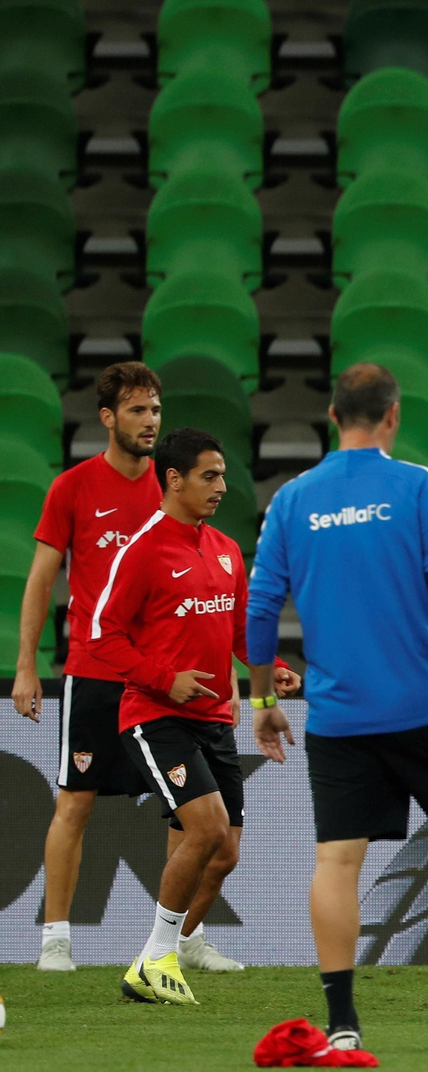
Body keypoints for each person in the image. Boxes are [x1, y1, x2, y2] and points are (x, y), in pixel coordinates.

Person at [247, 364, 428, 1052]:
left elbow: (258, 610)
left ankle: (342, 1022)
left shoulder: (291, 499)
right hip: (423, 701)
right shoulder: (413, 484)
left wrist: (260, 698)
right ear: (393, 416)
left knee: (337, 859)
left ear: (330, 413)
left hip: (339, 713)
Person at [10, 363, 271, 976]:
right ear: (108, 418)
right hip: (99, 669)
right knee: (75, 801)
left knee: (191, 816)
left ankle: (183, 939)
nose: (150, 421)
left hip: (179, 678)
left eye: (155, 410)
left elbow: (211, 606)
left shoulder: (183, 502)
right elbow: (42, 580)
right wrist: (28, 665)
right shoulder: (73, 488)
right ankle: (56, 939)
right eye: (137, 410)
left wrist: (237, 678)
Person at [87, 428, 297, 1004]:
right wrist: (163, 678)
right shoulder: (143, 550)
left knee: (224, 853)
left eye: (223, 474)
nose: (221, 487)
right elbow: (100, 634)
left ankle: (161, 957)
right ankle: (155, 960)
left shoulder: (226, 548)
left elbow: (237, 627)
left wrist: (271, 667)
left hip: (216, 719)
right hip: (155, 716)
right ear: (173, 479)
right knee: (204, 831)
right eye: (210, 475)